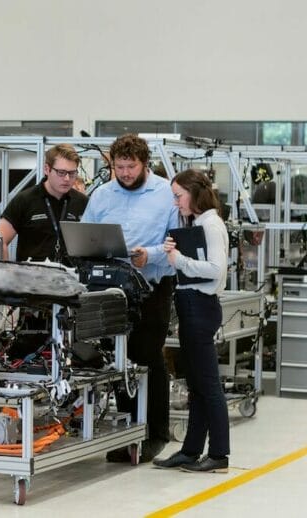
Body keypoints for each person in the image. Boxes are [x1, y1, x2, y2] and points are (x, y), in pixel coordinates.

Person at [82, 133, 178, 463]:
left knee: (146, 355)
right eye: (119, 167)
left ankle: (155, 433)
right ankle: (128, 431)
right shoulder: (102, 195)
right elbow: (85, 233)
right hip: (113, 289)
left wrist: (148, 255)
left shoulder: (166, 193)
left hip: (153, 285)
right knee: (120, 360)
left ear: (144, 164)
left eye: (130, 166)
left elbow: (176, 241)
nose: (124, 173)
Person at [154, 169, 230, 473]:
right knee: (197, 385)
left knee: (208, 385)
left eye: (178, 196)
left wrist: (179, 261)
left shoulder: (211, 224)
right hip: (190, 304)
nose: (176, 203)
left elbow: (216, 270)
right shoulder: (196, 223)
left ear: (194, 193)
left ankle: (220, 454)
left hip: (201, 306)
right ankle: (191, 450)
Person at [0, 144, 88, 263]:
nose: (67, 178)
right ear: (47, 169)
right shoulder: (24, 200)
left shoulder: (82, 202)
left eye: (72, 173)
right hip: (31, 277)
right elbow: (0, 241)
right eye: (61, 172)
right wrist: (5, 273)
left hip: (71, 276)